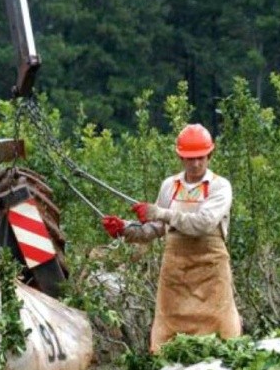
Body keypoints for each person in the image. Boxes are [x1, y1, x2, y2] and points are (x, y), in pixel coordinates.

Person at [102, 123, 241, 352]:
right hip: (175, 272)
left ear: (210, 155)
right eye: (189, 158)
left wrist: (160, 212)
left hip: (211, 270)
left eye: (201, 158)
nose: (196, 163)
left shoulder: (220, 186)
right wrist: (125, 229)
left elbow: (203, 223)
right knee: (168, 335)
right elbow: (155, 229)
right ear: (180, 158)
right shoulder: (170, 186)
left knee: (221, 331)